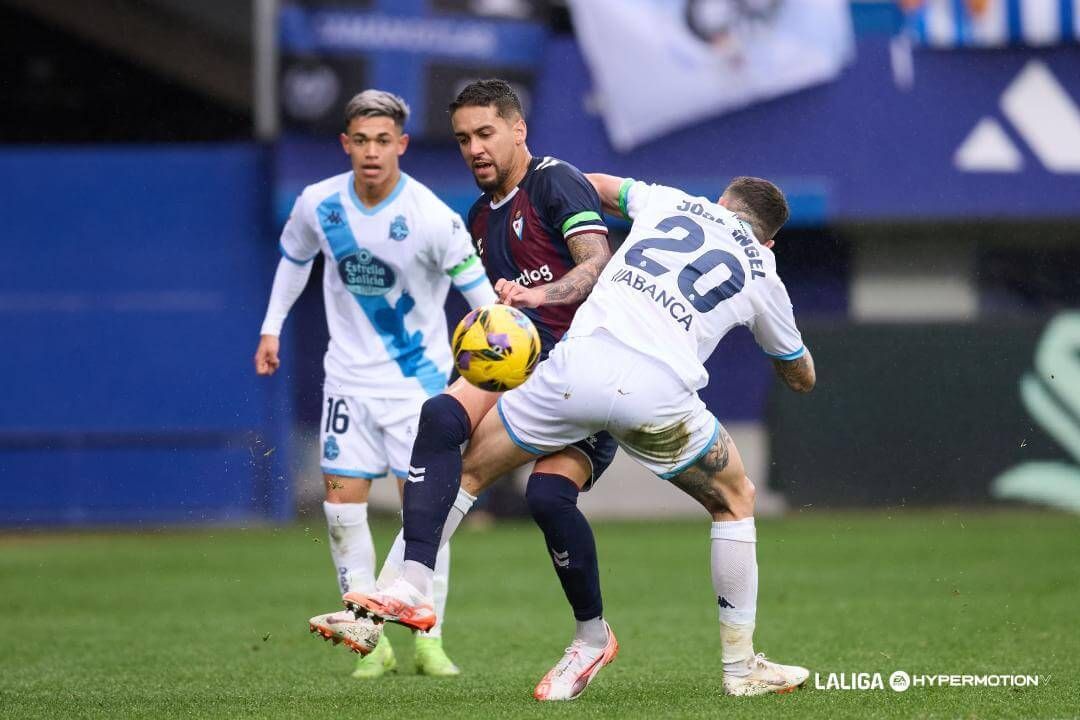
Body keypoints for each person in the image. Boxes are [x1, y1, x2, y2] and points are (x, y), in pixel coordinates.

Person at [350, 173, 817, 700]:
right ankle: (740, 669)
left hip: (575, 370)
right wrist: (781, 347)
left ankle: (410, 584)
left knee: (471, 471)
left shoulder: (672, 202)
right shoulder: (763, 270)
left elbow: (593, 185)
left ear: (719, 203)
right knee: (735, 499)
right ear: (769, 239)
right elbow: (800, 375)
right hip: (656, 396)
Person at [316, 78, 622, 679]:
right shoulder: (479, 218)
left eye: (486, 133)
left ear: (518, 130)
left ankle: (591, 634)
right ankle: (411, 592)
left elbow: (596, 263)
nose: (475, 148)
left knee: (548, 497)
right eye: (463, 139)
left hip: (590, 370)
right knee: (442, 420)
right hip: (526, 369)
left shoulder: (555, 181)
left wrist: (540, 294)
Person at [254, 89, 496, 679]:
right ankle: (370, 639)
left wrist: (495, 368)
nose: (371, 151)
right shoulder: (319, 205)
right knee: (341, 513)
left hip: (417, 389)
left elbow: (485, 303)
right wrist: (271, 329)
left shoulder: (433, 219)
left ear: (401, 145)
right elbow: (293, 259)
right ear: (346, 143)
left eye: (383, 141)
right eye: (360, 140)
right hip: (347, 385)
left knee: (425, 519)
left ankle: (429, 640)